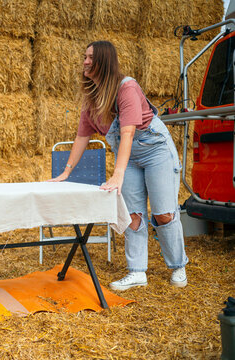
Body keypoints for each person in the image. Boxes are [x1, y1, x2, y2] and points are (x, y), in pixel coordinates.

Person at [50, 41, 188, 291]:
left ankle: (178, 266)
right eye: (84, 56)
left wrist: (117, 175)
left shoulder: (127, 88)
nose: (85, 61)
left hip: (154, 150)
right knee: (133, 214)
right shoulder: (91, 99)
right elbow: (82, 137)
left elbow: (127, 132)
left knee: (163, 213)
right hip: (130, 157)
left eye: (90, 57)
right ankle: (137, 272)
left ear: (103, 60)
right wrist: (66, 172)